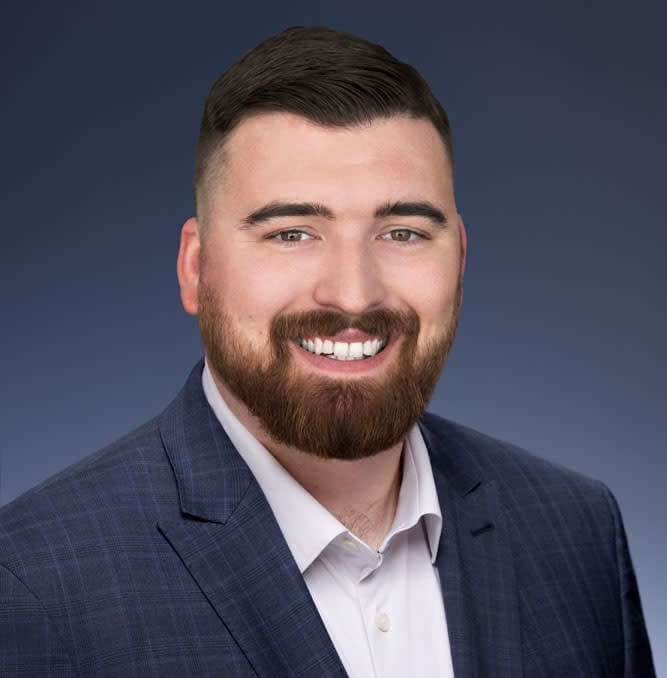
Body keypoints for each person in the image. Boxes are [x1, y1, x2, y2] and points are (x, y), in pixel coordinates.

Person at [0, 25, 655, 677]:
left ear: (458, 257)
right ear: (195, 268)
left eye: (401, 232)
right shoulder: (33, 584)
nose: (352, 294)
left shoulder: (577, 531)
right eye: (291, 233)